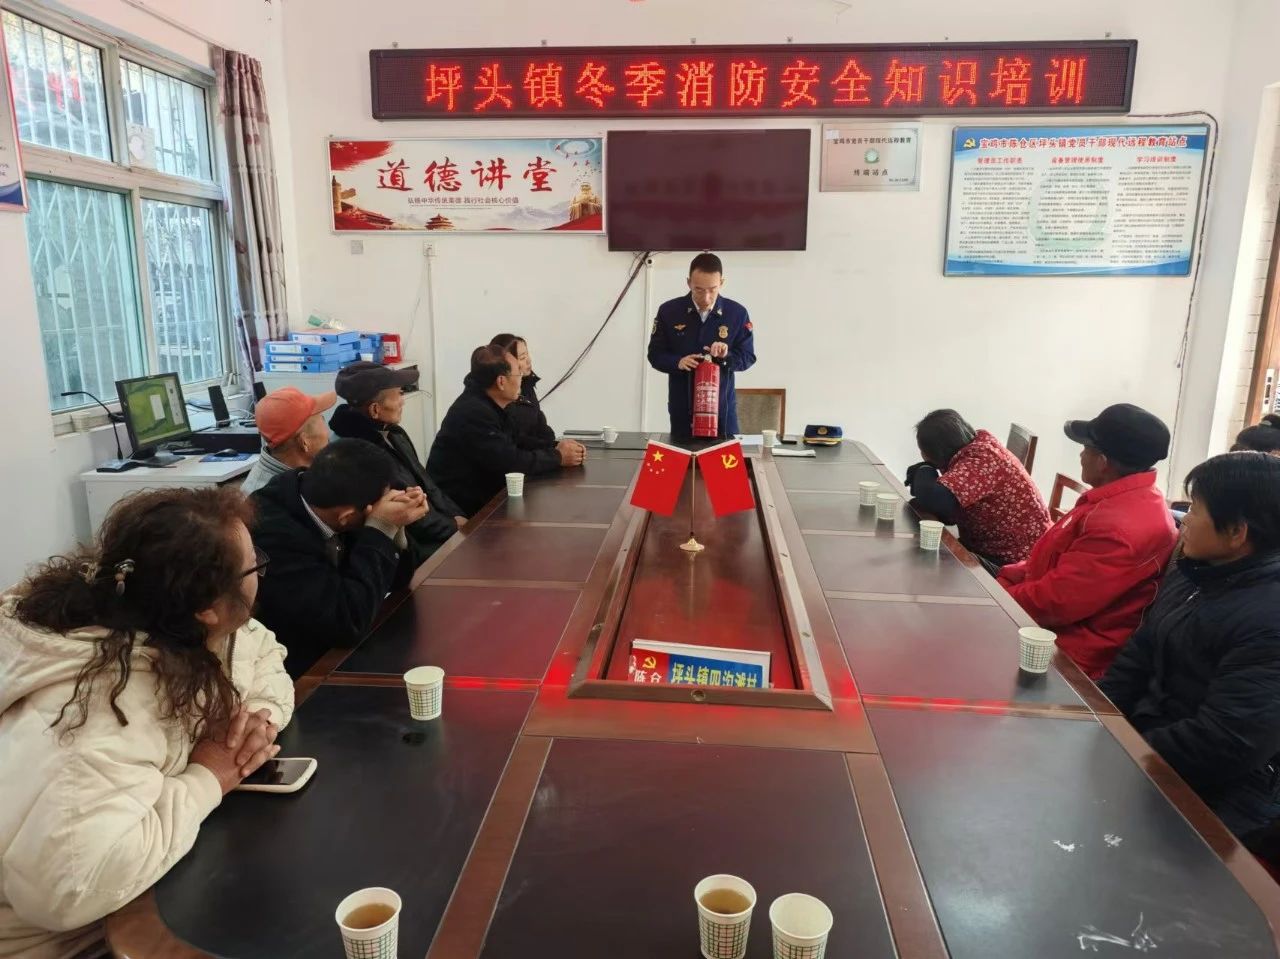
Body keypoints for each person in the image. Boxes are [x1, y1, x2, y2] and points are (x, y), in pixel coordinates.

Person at [0, 487, 293, 957]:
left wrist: (254, 722)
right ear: (206, 607)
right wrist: (208, 776)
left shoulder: (173, 620)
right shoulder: (100, 708)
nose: (259, 571)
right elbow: (68, 889)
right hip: (76, 942)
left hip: (156, 886)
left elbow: (262, 651)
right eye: (252, 565)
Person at [1100, 452, 1280, 840]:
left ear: (1237, 533)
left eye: (1196, 510)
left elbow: (1226, 744)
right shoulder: (1197, 571)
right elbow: (1140, 652)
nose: (1184, 520)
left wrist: (1127, 753)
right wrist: (1096, 717)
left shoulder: (1269, 618)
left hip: (1222, 790)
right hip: (1150, 744)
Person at [996, 404, 1178, 680]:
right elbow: (1048, 561)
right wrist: (1005, 580)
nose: (1081, 455)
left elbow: (1055, 602)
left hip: (1067, 657)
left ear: (1102, 462)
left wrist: (997, 599)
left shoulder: (1119, 528)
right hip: (1043, 627)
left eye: (1085, 449)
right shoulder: (1116, 498)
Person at [250, 439, 429, 679]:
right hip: (301, 667)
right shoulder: (274, 535)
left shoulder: (338, 494)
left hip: (347, 644)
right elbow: (347, 622)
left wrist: (396, 527)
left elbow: (398, 581)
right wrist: (380, 528)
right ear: (346, 517)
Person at [328, 362, 465, 562]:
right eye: (399, 394)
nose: (403, 402)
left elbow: (427, 483)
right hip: (409, 549)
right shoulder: (357, 455)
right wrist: (454, 527)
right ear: (375, 409)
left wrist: (456, 516)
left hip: (438, 530)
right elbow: (408, 513)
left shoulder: (393, 432)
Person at [427, 345, 585, 516]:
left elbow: (518, 441)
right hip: (459, 511)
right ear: (501, 382)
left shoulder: (492, 403)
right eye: (518, 373)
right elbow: (510, 462)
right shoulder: (474, 412)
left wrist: (558, 447)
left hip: (485, 498)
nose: (522, 378)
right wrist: (558, 456)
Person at [905, 410, 1050, 569]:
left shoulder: (981, 460)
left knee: (928, 562)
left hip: (1014, 562)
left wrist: (925, 468)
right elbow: (945, 510)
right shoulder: (975, 445)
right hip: (994, 548)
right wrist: (925, 473)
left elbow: (937, 500)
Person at [647, 252, 756, 440]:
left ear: (722, 283)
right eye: (698, 290)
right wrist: (677, 362)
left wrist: (726, 356)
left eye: (712, 290)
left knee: (724, 458)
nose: (706, 298)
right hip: (683, 411)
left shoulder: (737, 313)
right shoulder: (669, 311)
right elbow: (655, 354)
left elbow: (748, 356)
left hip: (722, 413)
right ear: (688, 283)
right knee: (683, 457)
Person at [241, 386, 335, 495]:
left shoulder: (305, 473)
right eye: (322, 419)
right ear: (305, 442)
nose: (328, 432)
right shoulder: (262, 499)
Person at [487, 333, 557, 450]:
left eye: (527, 354)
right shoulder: (501, 396)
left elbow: (540, 423)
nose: (529, 361)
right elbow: (516, 440)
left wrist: (555, 445)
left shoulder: (527, 384)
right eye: (522, 358)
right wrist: (554, 451)